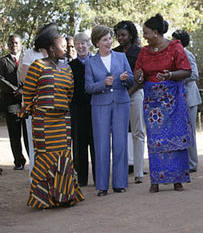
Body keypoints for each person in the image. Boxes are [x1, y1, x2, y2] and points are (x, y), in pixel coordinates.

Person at [19, 28, 84, 208]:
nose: (66, 48)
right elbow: (29, 92)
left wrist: (59, 106)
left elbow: (69, 94)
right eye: (62, 46)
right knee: (45, 157)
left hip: (62, 121)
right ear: (52, 49)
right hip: (43, 122)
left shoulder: (67, 69)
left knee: (64, 156)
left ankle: (64, 197)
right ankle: (43, 199)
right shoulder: (37, 66)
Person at [134, 14, 192, 193]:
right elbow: (138, 72)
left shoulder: (175, 47)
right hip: (152, 103)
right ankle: (156, 180)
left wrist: (170, 75)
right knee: (155, 140)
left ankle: (177, 180)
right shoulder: (144, 51)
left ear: (156, 33)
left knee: (175, 138)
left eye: (146, 33)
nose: (144, 36)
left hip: (173, 100)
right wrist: (139, 76)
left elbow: (186, 71)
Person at [85, 25, 134, 196]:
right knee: (101, 145)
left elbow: (132, 80)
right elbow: (88, 87)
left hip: (121, 103)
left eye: (110, 38)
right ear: (97, 42)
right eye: (105, 39)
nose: (109, 42)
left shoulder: (121, 57)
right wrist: (103, 84)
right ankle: (102, 185)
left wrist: (126, 78)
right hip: (99, 106)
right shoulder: (90, 62)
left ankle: (120, 183)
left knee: (120, 143)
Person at [19, 23, 57, 177]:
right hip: (35, 103)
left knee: (52, 142)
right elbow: (24, 78)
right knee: (36, 142)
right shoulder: (30, 54)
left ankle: (52, 175)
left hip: (53, 104)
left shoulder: (56, 53)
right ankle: (36, 177)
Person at [114, 20, 146, 184]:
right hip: (119, 96)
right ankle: (122, 169)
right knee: (120, 133)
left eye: (123, 35)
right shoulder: (115, 53)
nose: (120, 38)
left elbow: (142, 77)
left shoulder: (139, 52)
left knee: (137, 131)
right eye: (118, 35)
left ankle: (139, 171)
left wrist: (130, 91)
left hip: (135, 94)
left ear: (131, 35)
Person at [172, 29, 202, 173]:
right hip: (179, 98)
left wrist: (177, 77)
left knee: (189, 132)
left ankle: (192, 163)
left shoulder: (187, 55)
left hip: (189, 98)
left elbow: (194, 74)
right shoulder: (174, 55)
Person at [69, 32, 95, 187]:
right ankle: (82, 179)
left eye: (83, 43)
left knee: (96, 143)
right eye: (77, 44)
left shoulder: (96, 62)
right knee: (79, 144)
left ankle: (99, 178)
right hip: (77, 110)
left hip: (95, 108)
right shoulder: (70, 66)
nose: (80, 46)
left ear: (88, 44)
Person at [0, 34, 28, 170]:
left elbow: (31, 77)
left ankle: (31, 160)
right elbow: (1, 79)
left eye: (16, 43)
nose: (14, 45)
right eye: (11, 43)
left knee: (28, 134)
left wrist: (22, 91)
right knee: (14, 134)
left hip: (26, 101)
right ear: (8, 45)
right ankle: (19, 161)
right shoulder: (2, 61)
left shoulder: (26, 59)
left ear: (20, 44)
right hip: (11, 102)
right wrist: (15, 91)